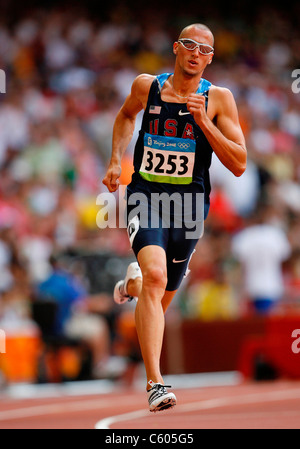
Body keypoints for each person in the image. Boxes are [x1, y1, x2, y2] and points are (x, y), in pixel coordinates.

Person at [102, 23, 247, 412]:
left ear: (210, 58)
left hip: (189, 205)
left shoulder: (218, 99)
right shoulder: (146, 86)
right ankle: (155, 383)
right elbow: (124, 117)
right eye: (189, 45)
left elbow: (239, 164)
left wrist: (203, 123)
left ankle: (130, 287)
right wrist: (116, 159)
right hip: (146, 194)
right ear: (176, 49)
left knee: (158, 298)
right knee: (157, 276)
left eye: (205, 49)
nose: (196, 53)